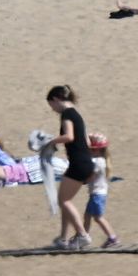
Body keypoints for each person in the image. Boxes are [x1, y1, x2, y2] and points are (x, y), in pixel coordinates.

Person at [42, 85, 95, 249]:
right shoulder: (77, 115)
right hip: (85, 162)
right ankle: (64, 239)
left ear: (56, 99)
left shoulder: (66, 114)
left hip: (79, 163)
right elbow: (86, 142)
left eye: (52, 105)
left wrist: (50, 141)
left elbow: (69, 136)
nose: (53, 109)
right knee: (65, 200)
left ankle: (82, 235)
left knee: (64, 200)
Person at [84, 133, 119, 247]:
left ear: (96, 150)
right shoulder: (101, 160)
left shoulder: (97, 162)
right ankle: (83, 236)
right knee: (87, 215)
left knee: (98, 218)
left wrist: (82, 180)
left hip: (97, 194)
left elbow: (91, 177)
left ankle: (113, 238)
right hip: (97, 194)